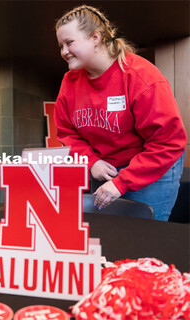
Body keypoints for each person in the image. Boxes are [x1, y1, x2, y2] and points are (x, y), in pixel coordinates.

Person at [54, 5, 186, 221]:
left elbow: (168, 142)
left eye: (69, 43)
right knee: (110, 232)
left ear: (95, 38)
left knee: (145, 235)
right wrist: (91, 161)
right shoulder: (70, 81)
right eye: (61, 45)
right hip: (105, 166)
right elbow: (67, 132)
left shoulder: (140, 76)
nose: (63, 52)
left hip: (151, 167)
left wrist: (123, 181)